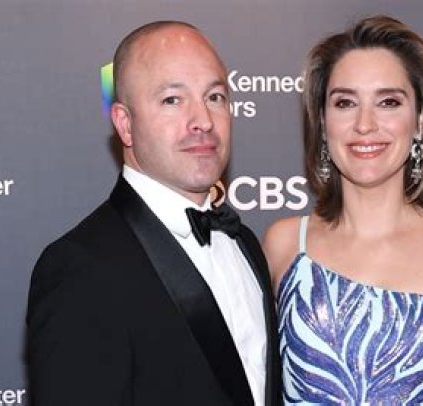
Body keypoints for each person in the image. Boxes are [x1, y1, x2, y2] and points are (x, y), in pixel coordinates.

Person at [264, 15, 423, 405]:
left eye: (388, 102)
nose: (365, 124)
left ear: (419, 120)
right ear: (323, 121)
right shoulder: (283, 244)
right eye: (345, 103)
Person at [26, 21, 280, 406]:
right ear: (125, 124)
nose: (203, 120)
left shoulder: (243, 242)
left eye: (215, 97)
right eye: (172, 100)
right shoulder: (80, 267)